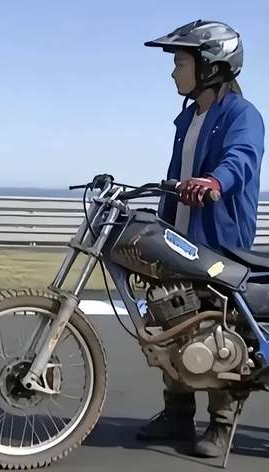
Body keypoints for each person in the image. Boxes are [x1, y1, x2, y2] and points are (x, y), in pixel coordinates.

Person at [137, 20, 265, 458]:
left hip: (219, 239)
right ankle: (177, 414)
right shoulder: (188, 118)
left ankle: (222, 423)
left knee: (217, 326)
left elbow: (241, 158)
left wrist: (214, 181)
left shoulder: (241, 115)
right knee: (172, 321)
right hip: (179, 237)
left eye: (180, 62)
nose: (174, 72)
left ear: (211, 65)